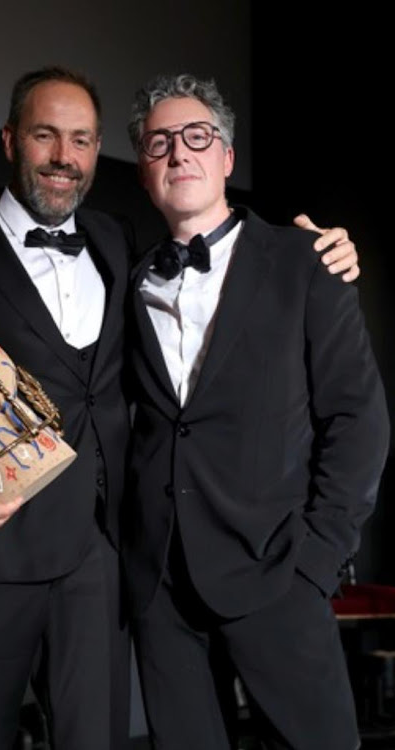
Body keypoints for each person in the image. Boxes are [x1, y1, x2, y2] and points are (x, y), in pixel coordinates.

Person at [0, 65, 360, 750]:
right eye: (46, 135)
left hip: (102, 569)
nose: (65, 156)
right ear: (11, 141)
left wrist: (324, 246)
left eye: (83, 140)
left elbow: (348, 413)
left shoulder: (122, 245)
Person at [124, 73, 390, 750]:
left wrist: (317, 561)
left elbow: (358, 420)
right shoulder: (129, 282)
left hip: (277, 572)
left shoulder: (307, 262)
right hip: (161, 588)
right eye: (159, 143)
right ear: (143, 168)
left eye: (196, 136)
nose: (179, 152)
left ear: (227, 158)